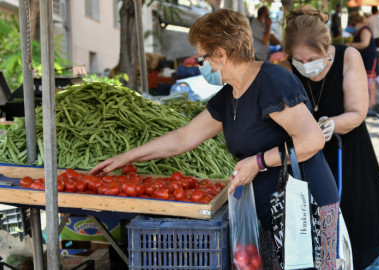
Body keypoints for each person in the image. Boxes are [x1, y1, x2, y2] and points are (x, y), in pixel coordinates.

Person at [90, 8, 339, 270]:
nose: (200, 65)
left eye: (202, 58)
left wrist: (258, 162)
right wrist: (126, 157)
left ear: (221, 54)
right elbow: (184, 137)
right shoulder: (229, 95)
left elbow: (312, 140)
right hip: (272, 210)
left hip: (305, 208)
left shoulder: (272, 82)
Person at [279, 5, 379, 270]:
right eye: (298, 59)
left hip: (348, 152)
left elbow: (358, 112)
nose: (305, 65)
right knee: (313, 232)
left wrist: (331, 124)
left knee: (354, 229)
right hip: (308, 158)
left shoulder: (349, 57)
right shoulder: (288, 67)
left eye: (311, 58)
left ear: (326, 48)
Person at [346, 11, 379, 112]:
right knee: (369, 79)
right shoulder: (361, 29)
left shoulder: (365, 30)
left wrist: (350, 45)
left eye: (353, 24)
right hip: (366, 57)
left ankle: (371, 102)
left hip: (369, 57)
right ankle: (370, 102)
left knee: (370, 79)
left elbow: (364, 44)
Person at [366, 6, 379, 81]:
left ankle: (374, 73)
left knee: (372, 57)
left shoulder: (368, 19)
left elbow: (366, 29)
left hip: (372, 38)